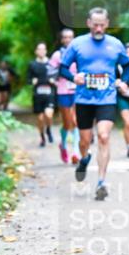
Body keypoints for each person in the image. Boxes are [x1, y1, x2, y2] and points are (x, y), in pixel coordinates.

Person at [60, 7, 129, 201]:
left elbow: (127, 66)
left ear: (107, 24)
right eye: (95, 24)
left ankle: (101, 182)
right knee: (84, 141)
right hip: (83, 99)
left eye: (102, 25)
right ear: (88, 23)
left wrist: (124, 81)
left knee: (103, 136)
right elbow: (63, 67)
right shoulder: (77, 44)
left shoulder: (115, 44)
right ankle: (84, 159)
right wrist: (74, 77)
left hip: (107, 98)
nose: (99, 28)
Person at [49, 28, 80, 164]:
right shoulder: (57, 55)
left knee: (76, 121)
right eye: (65, 37)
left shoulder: (79, 53)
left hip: (77, 91)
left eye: (70, 37)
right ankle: (62, 144)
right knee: (67, 123)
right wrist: (55, 81)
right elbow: (49, 71)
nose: (68, 39)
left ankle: (75, 152)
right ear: (62, 40)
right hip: (63, 91)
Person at [27, 42, 55, 147]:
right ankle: (42, 137)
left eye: (43, 49)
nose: (41, 51)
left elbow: (57, 75)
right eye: (39, 49)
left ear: (46, 51)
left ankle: (48, 129)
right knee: (40, 118)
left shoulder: (51, 64)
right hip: (38, 95)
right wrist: (32, 81)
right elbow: (28, 79)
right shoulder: (32, 64)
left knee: (48, 114)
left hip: (49, 93)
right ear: (36, 51)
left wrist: (54, 80)